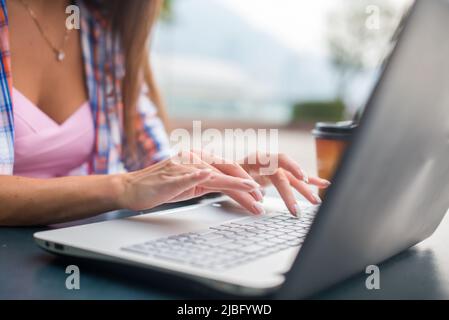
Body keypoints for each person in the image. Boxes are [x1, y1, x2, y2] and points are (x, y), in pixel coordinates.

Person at [0, 0, 330, 226]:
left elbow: (151, 166)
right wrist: (122, 187)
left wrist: (219, 175)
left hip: (73, 258)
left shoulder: (100, 33)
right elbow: (134, 183)